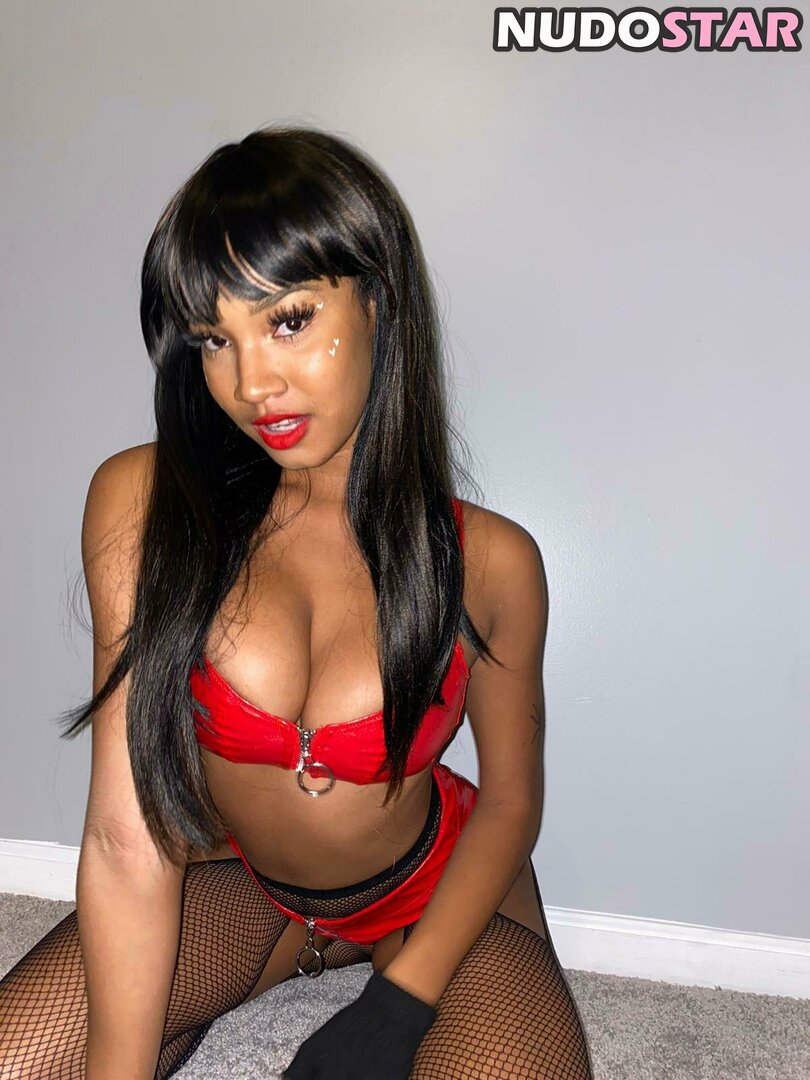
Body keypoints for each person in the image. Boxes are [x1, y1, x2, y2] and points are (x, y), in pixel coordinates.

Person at [0, 125, 594, 1079]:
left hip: (433, 895)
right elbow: (123, 836)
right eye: (214, 339)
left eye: (287, 320)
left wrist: (398, 1007)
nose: (251, 383)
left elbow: (512, 800)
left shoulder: (491, 560)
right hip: (246, 889)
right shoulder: (145, 503)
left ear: (378, 300)